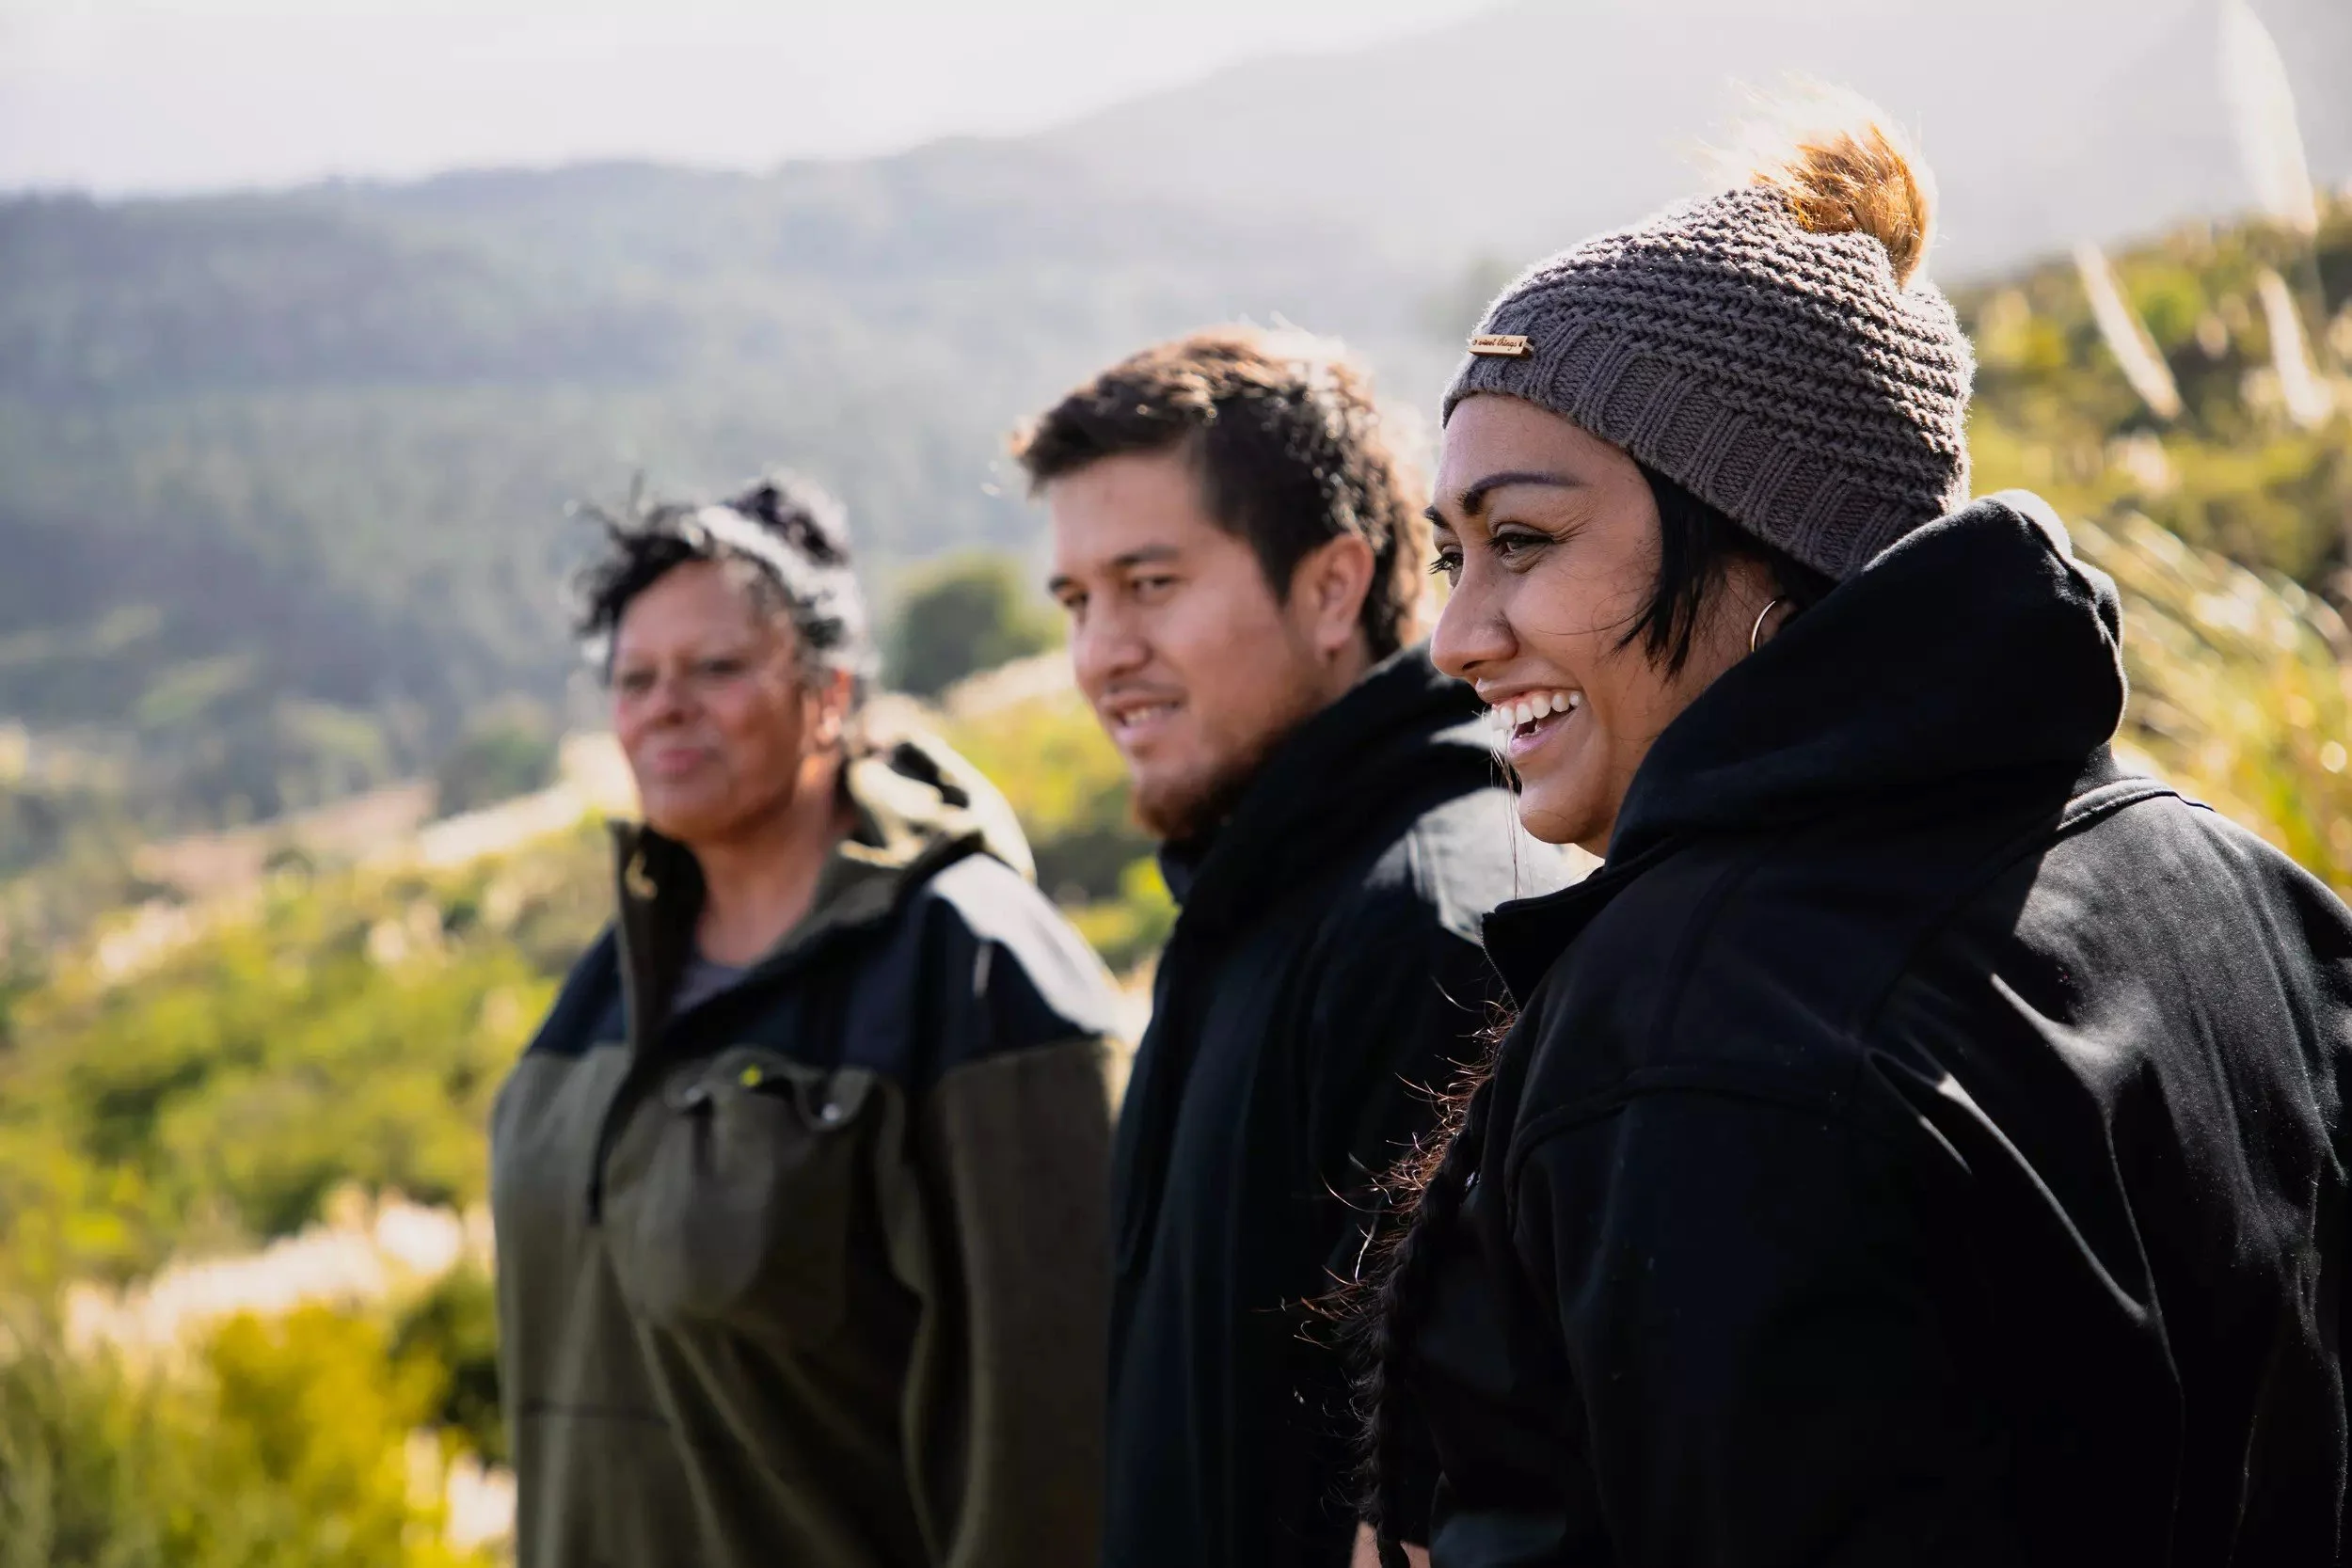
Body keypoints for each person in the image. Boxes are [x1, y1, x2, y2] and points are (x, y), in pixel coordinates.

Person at [1350, 100, 2352, 1567]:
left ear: (1771, 542)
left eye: (1523, 540)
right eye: (1450, 552)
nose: (1455, 635)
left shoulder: (1694, 1027)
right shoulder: (2242, 886)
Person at [489, 473, 1123, 1568]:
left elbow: (1055, 1449)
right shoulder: (607, 981)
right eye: (635, 678)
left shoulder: (974, 972)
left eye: (717, 667)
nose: (665, 704)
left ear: (828, 692)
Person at [1015, 327, 1570, 1568]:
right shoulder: (1248, 906)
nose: (1101, 652)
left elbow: (1452, 1495)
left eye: (1151, 583)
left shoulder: (1432, 926)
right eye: (1077, 599)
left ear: (1331, 586)